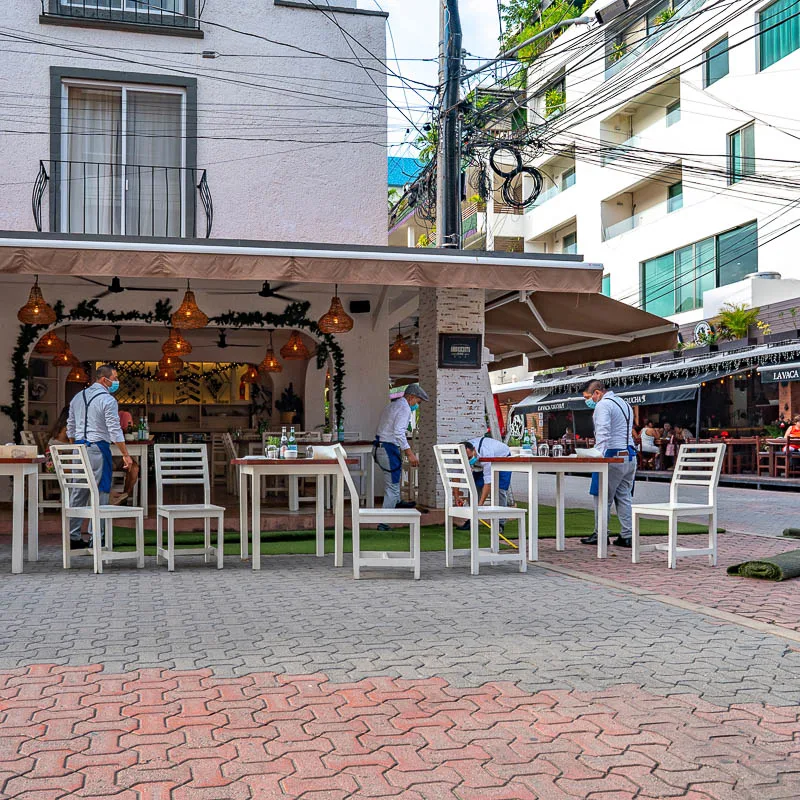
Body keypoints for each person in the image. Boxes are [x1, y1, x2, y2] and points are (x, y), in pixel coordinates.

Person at [66, 364, 134, 548]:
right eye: (115, 378)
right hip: (98, 448)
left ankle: (73, 538)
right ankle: (97, 538)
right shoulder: (107, 400)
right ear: (105, 379)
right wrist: (126, 455)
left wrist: (77, 446)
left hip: (78, 449)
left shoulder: (77, 397)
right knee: (101, 492)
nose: (117, 382)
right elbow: (114, 430)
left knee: (78, 491)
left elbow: (70, 427)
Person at [580, 380, 637, 548]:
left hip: (613, 456)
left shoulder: (603, 405)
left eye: (588, 397)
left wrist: (597, 455)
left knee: (601, 496)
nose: (587, 401)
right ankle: (627, 535)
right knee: (624, 496)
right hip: (630, 455)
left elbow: (603, 433)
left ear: (597, 393)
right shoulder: (624, 403)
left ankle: (600, 533)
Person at [373, 383, 429, 529]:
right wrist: (410, 453)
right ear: (411, 397)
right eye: (417, 402)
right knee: (391, 486)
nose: (417, 405)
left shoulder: (392, 405)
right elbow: (399, 433)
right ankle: (383, 523)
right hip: (388, 448)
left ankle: (397, 501)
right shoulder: (404, 408)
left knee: (394, 479)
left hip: (380, 447)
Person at [455, 436, 513, 531]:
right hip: (480, 462)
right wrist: (456, 497)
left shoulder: (486, 453)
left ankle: (500, 523)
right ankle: (472, 519)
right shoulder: (458, 453)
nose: (468, 461)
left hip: (502, 458)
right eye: (465, 459)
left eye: (469, 457)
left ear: (474, 450)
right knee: (473, 487)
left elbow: (488, 482)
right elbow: (456, 476)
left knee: (500, 490)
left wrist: (480, 505)